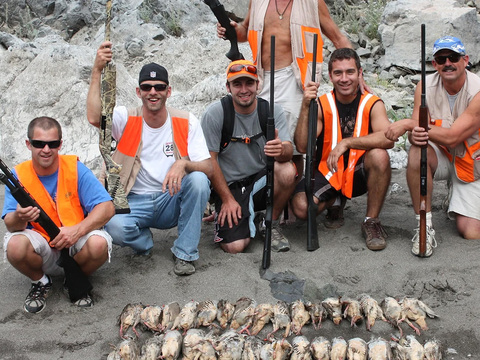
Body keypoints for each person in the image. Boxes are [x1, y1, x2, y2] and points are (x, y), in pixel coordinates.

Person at [87, 42, 212, 276]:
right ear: (138, 91)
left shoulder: (186, 121)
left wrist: (184, 163)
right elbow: (95, 117)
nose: (153, 92)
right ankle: (144, 242)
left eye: (159, 87)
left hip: (171, 199)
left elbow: (208, 167)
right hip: (134, 201)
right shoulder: (125, 118)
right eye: (147, 87)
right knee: (114, 226)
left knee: (198, 181)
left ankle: (184, 253)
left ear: (169, 90)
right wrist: (97, 70)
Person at [217, 0, 367, 182]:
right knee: (262, 142)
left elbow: (337, 38)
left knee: (293, 147)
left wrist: (358, 75)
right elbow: (245, 31)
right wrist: (230, 29)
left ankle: (293, 197)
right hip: (260, 79)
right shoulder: (257, 1)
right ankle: (265, 195)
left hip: (295, 77)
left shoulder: (312, 2)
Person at [2, 117, 115, 313]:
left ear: (60, 144)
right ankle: (40, 282)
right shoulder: (17, 175)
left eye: (52, 144)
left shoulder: (75, 168)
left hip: (73, 243)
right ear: (28, 144)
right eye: (39, 143)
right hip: (42, 246)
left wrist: (77, 231)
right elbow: (10, 225)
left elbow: (107, 207)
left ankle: (72, 278)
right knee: (14, 245)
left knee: (99, 244)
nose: (46, 149)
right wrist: (20, 217)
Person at [385, 36, 480, 257]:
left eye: (453, 57)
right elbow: (415, 137)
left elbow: (453, 137)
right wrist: (414, 134)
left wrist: (409, 124)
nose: (448, 63)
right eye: (441, 58)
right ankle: (424, 224)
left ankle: (455, 192)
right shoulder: (424, 87)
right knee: (418, 151)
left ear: (465, 60)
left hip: (473, 164)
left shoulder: (478, 91)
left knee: (471, 232)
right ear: (434, 64)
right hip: (444, 156)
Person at [291, 48, 394, 251]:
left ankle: (371, 221)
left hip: (358, 173)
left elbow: (388, 139)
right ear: (330, 76)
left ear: (360, 73)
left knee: (380, 156)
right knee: (301, 208)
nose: (344, 78)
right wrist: (305, 105)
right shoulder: (321, 104)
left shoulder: (372, 103)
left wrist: (347, 143)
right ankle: (334, 200)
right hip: (328, 171)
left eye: (350, 72)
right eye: (338, 73)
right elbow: (302, 145)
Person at [201, 59, 296, 253]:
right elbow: (210, 161)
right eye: (237, 84)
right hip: (230, 186)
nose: (244, 90)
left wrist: (281, 149)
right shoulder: (215, 113)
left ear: (258, 85)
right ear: (228, 87)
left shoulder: (272, 110)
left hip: (262, 181)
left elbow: (287, 150)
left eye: (249, 83)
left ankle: (270, 222)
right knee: (234, 247)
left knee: (286, 170)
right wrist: (226, 199)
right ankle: (237, 213)